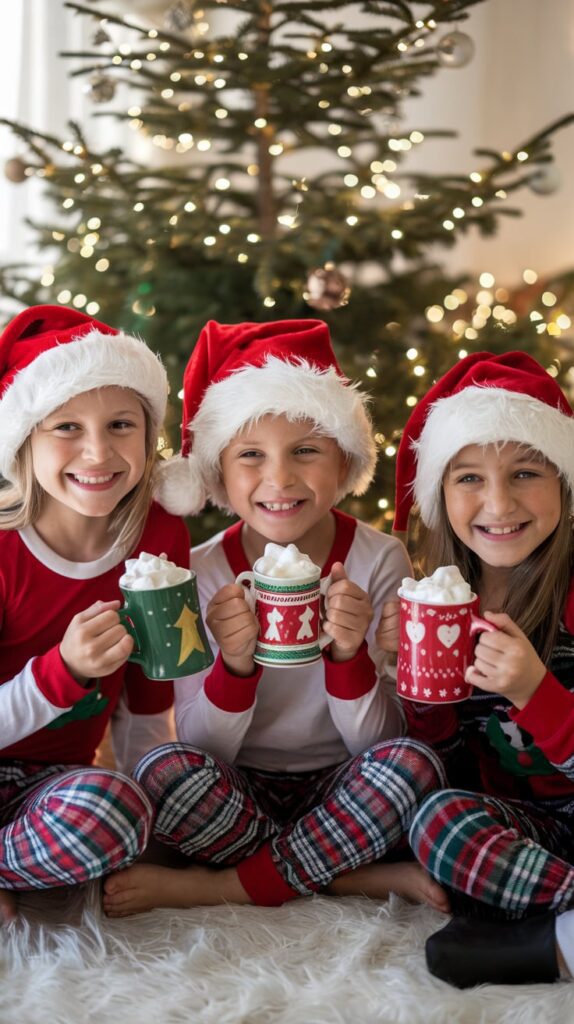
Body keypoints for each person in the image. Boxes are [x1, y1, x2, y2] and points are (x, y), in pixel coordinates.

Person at [103, 318, 449, 916]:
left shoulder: (379, 559)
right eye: (251, 456)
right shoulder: (202, 570)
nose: (280, 478)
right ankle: (344, 875)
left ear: (344, 464)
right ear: (216, 473)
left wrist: (348, 659)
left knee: (413, 766)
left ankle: (224, 886)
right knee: (164, 768)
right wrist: (235, 666)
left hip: (343, 784)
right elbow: (204, 744)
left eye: (306, 451)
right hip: (241, 787)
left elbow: (380, 740)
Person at [378, 350, 574, 987]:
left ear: (565, 484)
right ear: (439, 493)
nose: (498, 502)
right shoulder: (440, 598)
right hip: (529, 831)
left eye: (525, 472)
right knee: (437, 821)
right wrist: (422, 687)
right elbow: (447, 760)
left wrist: (533, 691)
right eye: (468, 478)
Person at [0, 304, 190, 923]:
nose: (97, 452)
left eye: (119, 425)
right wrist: (63, 671)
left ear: (147, 434)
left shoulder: (158, 535)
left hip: (56, 788)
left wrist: (151, 802)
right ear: (25, 439)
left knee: (120, 808)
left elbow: (148, 696)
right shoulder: (4, 552)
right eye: (66, 428)